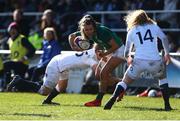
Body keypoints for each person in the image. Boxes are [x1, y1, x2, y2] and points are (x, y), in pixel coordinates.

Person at [104, 9, 172, 111]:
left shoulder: (132, 31)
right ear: (146, 17)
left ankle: (113, 97)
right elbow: (164, 38)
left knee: (125, 81)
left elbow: (127, 51)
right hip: (154, 61)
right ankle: (167, 105)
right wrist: (167, 53)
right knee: (163, 79)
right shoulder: (153, 27)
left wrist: (129, 57)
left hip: (138, 61)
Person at [68, 14, 125, 107]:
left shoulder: (102, 31)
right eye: (86, 30)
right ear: (83, 29)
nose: (89, 31)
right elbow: (71, 36)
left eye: (90, 29)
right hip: (109, 50)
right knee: (98, 75)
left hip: (119, 50)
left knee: (103, 73)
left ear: (94, 27)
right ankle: (122, 84)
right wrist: (74, 47)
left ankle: (98, 100)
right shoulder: (86, 32)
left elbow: (116, 46)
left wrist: (104, 54)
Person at [7, 48, 99, 104]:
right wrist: (111, 80)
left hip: (62, 62)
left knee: (62, 86)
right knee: (44, 91)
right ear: (98, 51)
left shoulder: (91, 52)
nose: (104, 56)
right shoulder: (91, 59)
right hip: (57, 65)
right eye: (103, 53)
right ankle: (20, 81)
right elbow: (98, 75)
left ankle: (47, 101)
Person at [1, 22, 35, 89]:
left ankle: (5, 86)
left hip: (22, 64)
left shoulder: (22, 39)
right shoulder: (9, 40)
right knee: (19, 86)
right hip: (15, 63)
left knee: (5, 65)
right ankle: (8, 86)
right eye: (11, 29)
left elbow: (32, 49)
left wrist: (25, 57)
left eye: (14, 29)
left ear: (17, 30)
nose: (13, 31)